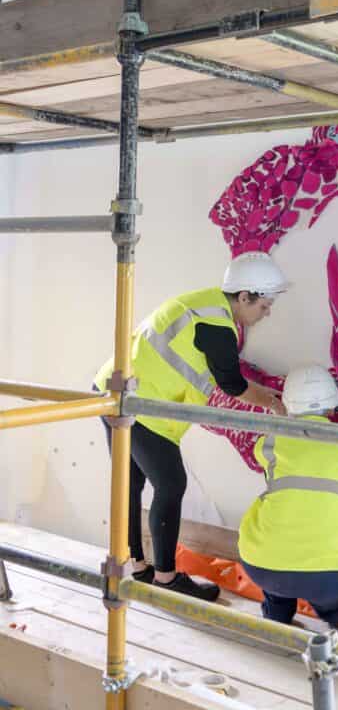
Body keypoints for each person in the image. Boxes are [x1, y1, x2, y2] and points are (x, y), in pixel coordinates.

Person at [94, 251, 288, 601]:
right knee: (170, 484)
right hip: (140, 402)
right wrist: (274, 401)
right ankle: (166, 579)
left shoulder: (206, 306)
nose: (267, 312)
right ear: (244, 297)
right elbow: (232, 384)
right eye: (264, 305)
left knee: (131, 483)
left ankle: (136, 566)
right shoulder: (218, 324)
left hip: (117, 387)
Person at [239, 365, 338, 652]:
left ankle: (277, 615)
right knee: (335, 612)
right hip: (332, 574)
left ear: (288, 402)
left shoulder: (271, 441)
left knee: (276, 551)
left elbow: (264, 465)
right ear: (333, 401)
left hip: (265, 566)